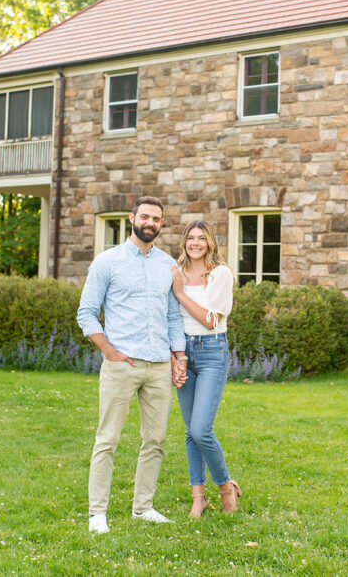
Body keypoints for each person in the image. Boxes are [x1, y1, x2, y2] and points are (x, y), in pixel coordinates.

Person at [77, 196, 188, 535]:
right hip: (121, 363)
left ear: (162, 224)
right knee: (107, 439)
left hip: (157, 367)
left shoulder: (168, 265)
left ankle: (143, 507)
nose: (150, 222)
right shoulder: (107, 262)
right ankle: (98, 512)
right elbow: (86, 313)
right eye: (145, 216)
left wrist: (178, 355)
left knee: (155, 440)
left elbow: (172, 316)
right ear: (132, 218)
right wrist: (109, 351)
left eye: (156, 218)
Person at [169, 220, 242, 517]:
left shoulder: (221, 275)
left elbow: (211, 320)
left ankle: (225, 486)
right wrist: (176, 356)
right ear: (184, 241)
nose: (195, 243)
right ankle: (198, 496)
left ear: (210, 242)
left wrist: (180, 293)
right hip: (183, 351)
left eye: (201, 238)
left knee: (201, 429)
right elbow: (170, 318)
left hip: (212, 351)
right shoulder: (176, 272)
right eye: (190, 237)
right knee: (190, 430)